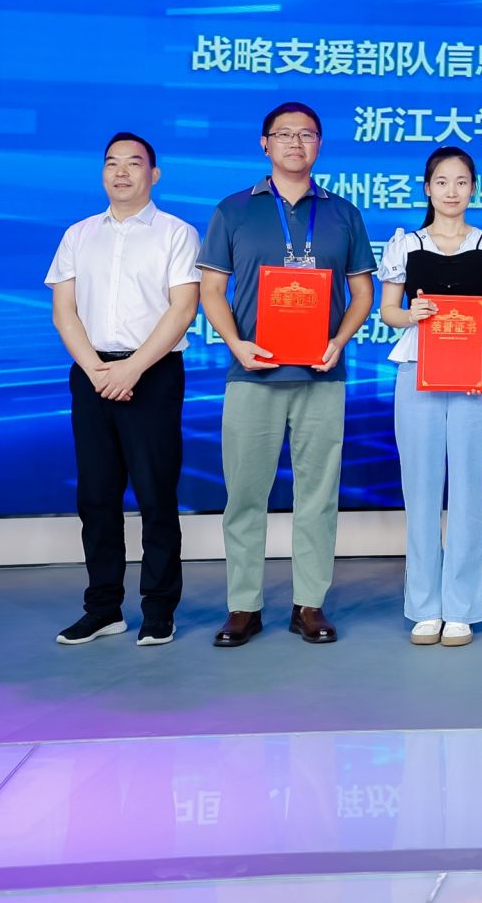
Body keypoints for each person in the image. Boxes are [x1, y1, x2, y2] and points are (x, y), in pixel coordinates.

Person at [197, 102, 375, 648]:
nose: (296, 143)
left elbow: (362, 293)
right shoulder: (233, 210)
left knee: (317, 496)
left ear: (319, 144)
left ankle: (309, 604)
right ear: (265, 143)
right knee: (244, 495)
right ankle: (243, 606)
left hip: (322, 375)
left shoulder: (343, 213)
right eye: (284, 134)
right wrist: (237, 344)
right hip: (252, 375)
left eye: (307, 134)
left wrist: (339, 341)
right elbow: (211, 290)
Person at [44, 132, 201, 647]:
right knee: (96, 497)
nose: (121, 172)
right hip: (91, 374)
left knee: (156, 496)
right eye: (111, 163)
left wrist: (132, 368)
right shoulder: (78, 234)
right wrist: (96, 370)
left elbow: (183, 309)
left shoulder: (177, 233)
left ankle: (159, 609)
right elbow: (64, 311)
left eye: (134, 163)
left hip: (152, 373)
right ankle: (103, 608)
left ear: (154, 175)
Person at [378, 146, 482, 647]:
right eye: (442, 182)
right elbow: (388, 311)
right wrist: (410, 316)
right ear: (427, 188)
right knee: (419, 490)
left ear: (473, 188)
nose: (451, 191)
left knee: (470, 490)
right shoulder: (406, 244)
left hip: (474, 377)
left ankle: (460, 607)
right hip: (417, 372)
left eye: (461, 182)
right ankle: (424, 607)